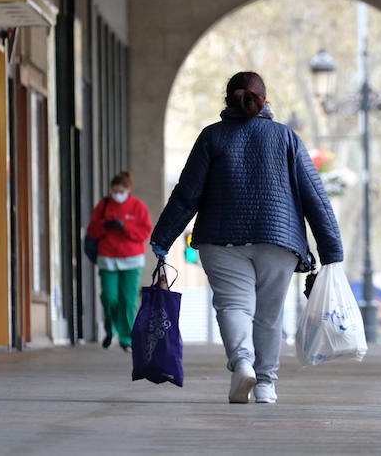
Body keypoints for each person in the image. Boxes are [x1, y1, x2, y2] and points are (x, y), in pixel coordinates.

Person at [150, 71, 344, 405]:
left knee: (233, 306)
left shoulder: (212, 137)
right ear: (263, 100)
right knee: (269, 314)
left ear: (228, 100)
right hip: (278, 238)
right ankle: (266, 384)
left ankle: (242, 363)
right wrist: (331, 250)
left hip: (221, 238)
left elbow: (187, 194)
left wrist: (162, 239)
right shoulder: (286, 138)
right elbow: (315, 195)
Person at [86, 170, 153, 352]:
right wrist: (105, 226)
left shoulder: (138, 207)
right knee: (109, 297)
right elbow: (92, 231)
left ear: (128, 189)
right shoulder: (104, 205)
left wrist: (125, 227)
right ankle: (110, 329)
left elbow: (145, 232)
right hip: (107, 258)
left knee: (128, 300)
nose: (117, 195)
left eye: (120, 191)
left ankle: (126, 338)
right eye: (114, 191)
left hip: (131, 260)